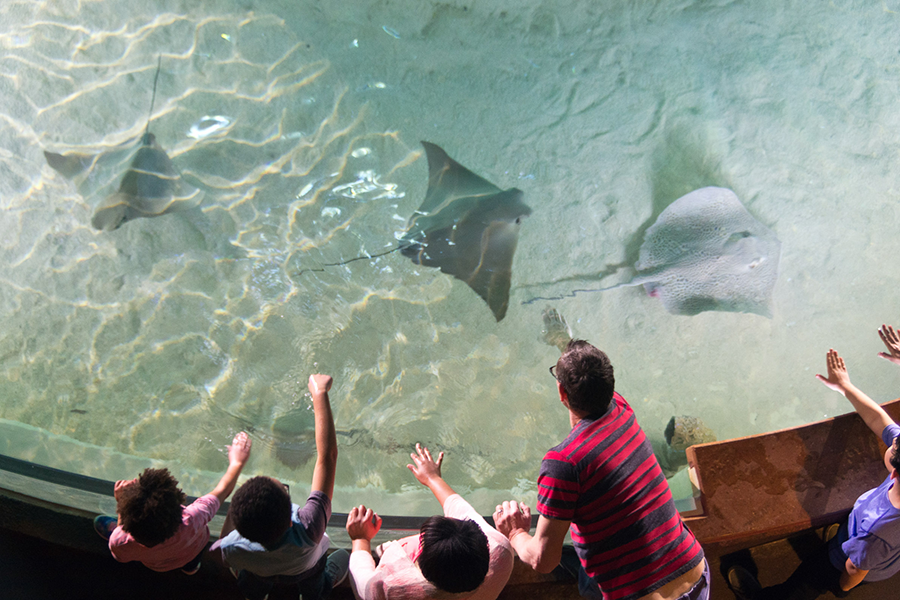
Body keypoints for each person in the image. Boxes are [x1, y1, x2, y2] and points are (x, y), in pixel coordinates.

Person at [493, 339, 708, 600]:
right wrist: (566, 344)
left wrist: (515, 532)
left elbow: (542, 560)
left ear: (561, 393)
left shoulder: (563, 462)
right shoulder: (621, 408)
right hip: (698, 575)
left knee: (577, 567)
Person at [728, 324, 900, 599]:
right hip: (879, 555)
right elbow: (880, 419)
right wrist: (845, 386)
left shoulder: (875, 530)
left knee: (805, 583)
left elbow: (854, 570)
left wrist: (841, 586)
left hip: (841, 562)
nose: (892, 436)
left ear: (893, 472)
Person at [216, 374, 349, 600]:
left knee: (252, 581)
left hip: (256, 569)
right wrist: (320, 394)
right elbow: (327, 457)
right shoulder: (309, 527)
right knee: (316, 579)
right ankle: (314, 594)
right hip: (306, 568)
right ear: (290, 519)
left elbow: (224, 542)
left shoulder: (231, 547)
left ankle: (255, 593)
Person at [344, 443, 514, 600]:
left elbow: (363, 585)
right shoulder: (501, 552)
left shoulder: (390, 586)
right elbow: (463, 510)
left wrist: (360, 539)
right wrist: (433, 479)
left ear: (422, 567)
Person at [93, 430, 252, 574]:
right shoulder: (193, 517)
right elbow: (223, 490)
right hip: (192, 551)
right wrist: (237, 462)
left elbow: (121, 558)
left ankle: (188, 566)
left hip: (158, 564)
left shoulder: (120, 541)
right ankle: (190, 568)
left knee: (117, 532)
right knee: (192, 558)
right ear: (178, 503)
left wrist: (122, 505)